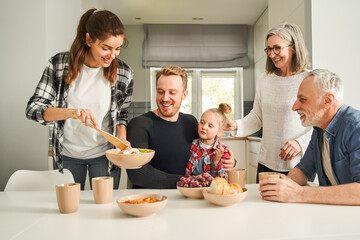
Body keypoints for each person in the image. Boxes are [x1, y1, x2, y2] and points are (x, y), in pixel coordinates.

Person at [25, 9, 134, 190]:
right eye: (105, 48)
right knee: (69, 211)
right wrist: (73, 112)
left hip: (105, 156)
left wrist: (121, 144)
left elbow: (122, 116)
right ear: (89, 39)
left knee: (104, 211)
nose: (112, 56)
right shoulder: (59, 65)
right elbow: (33, 109)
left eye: (117, 49)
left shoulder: (124, 72)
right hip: (67, 156)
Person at [226, 23, 313, 182]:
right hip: (266, 163)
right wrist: (236, 126)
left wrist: (300, 143)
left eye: (277, 48)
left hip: (299, 163)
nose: (272, 54)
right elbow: (257, 117)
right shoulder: (265, 79)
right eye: (269, 49)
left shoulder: (310, 79)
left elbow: (322, 123)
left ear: (293, 47)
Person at [259, 69, 360, 205]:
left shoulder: (355, 128)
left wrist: (298, 193)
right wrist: (282, 185)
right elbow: (303, 169)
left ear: (327, 100)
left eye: (302, 99)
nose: (294, 107)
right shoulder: (319, 129)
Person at [126, 65, 235, 188]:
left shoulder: (191, 122)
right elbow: (138, 174)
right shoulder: (139, 125)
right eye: (160, 91)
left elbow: (207, 152)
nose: (165, 98)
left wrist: (229, 161)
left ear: (184, 94)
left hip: (187, 196)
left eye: (172, 92)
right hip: (149, 200)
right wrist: (187, 181)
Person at [185, 103, 232, 177]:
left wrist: (216, 161)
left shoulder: (223, 150)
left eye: (210, 126)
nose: (204, 127)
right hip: (193, 185)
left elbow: (221, 178)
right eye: (202, 122)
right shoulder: (192, 144)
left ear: (219, 132)